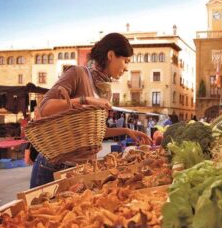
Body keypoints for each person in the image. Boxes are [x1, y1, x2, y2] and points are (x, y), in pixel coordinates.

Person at [30, 33, 152, 188]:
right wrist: (84, 100)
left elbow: (94, 132)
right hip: (54, 167)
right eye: (126, 61)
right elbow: (44, 108)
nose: (127, 67)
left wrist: (127, 131)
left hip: (82, 169)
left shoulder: (105, 91)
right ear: (110, 55)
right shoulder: (78, 73)